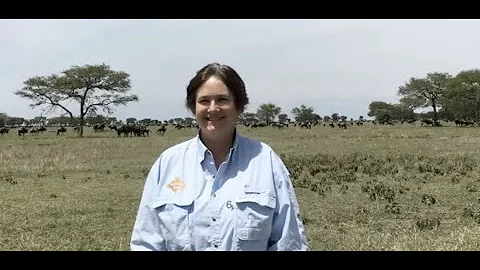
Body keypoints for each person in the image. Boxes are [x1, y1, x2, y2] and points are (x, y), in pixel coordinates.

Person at [130, 62, 308, 251]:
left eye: (222, 100)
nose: (213, 108)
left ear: (239, 106)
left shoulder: (265, 161)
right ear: (193, 107)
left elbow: (288, 243)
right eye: (204, 101)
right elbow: (146, 242)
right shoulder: (168, 163)